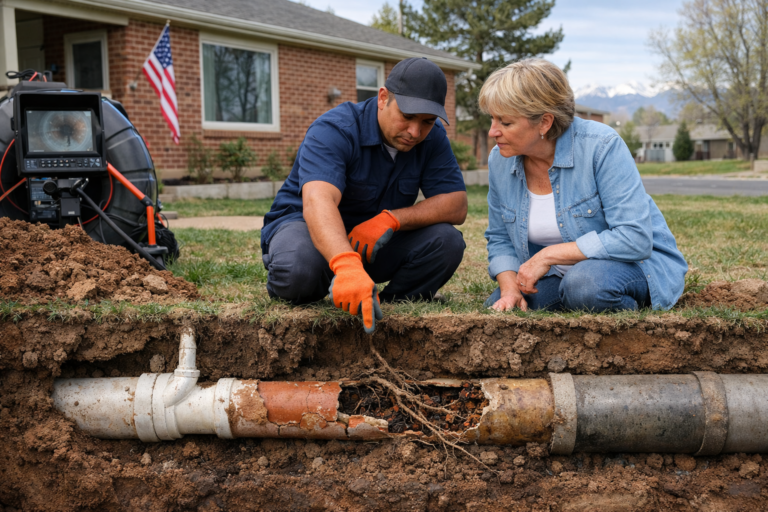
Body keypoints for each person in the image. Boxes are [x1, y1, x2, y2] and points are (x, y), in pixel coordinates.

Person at [261, 58, 468, 333]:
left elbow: (456, 205)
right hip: (308, 229)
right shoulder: (334, 129)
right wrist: (346, 264)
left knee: (447, 241)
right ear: (383, 98)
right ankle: (329, 279)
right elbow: (318, 201)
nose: (415, 132)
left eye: (427, 122)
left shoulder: (433, 138)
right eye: (407, 117)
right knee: (300, 270)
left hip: (372, 242)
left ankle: (386, 302)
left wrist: (391, 219)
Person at [480, 59, 687, 312]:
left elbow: (634, 239)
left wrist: (547, 255)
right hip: (560, 275)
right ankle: (577, 301)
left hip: (635, 266)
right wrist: (510, 288)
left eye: (505, 122)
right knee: (503, 306)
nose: (493, 132)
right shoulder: (500, 161)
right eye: (492, 119)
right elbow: (500, 237)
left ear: (545, 122)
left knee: (585, 286)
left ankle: (620, 309)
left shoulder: (601, 146)